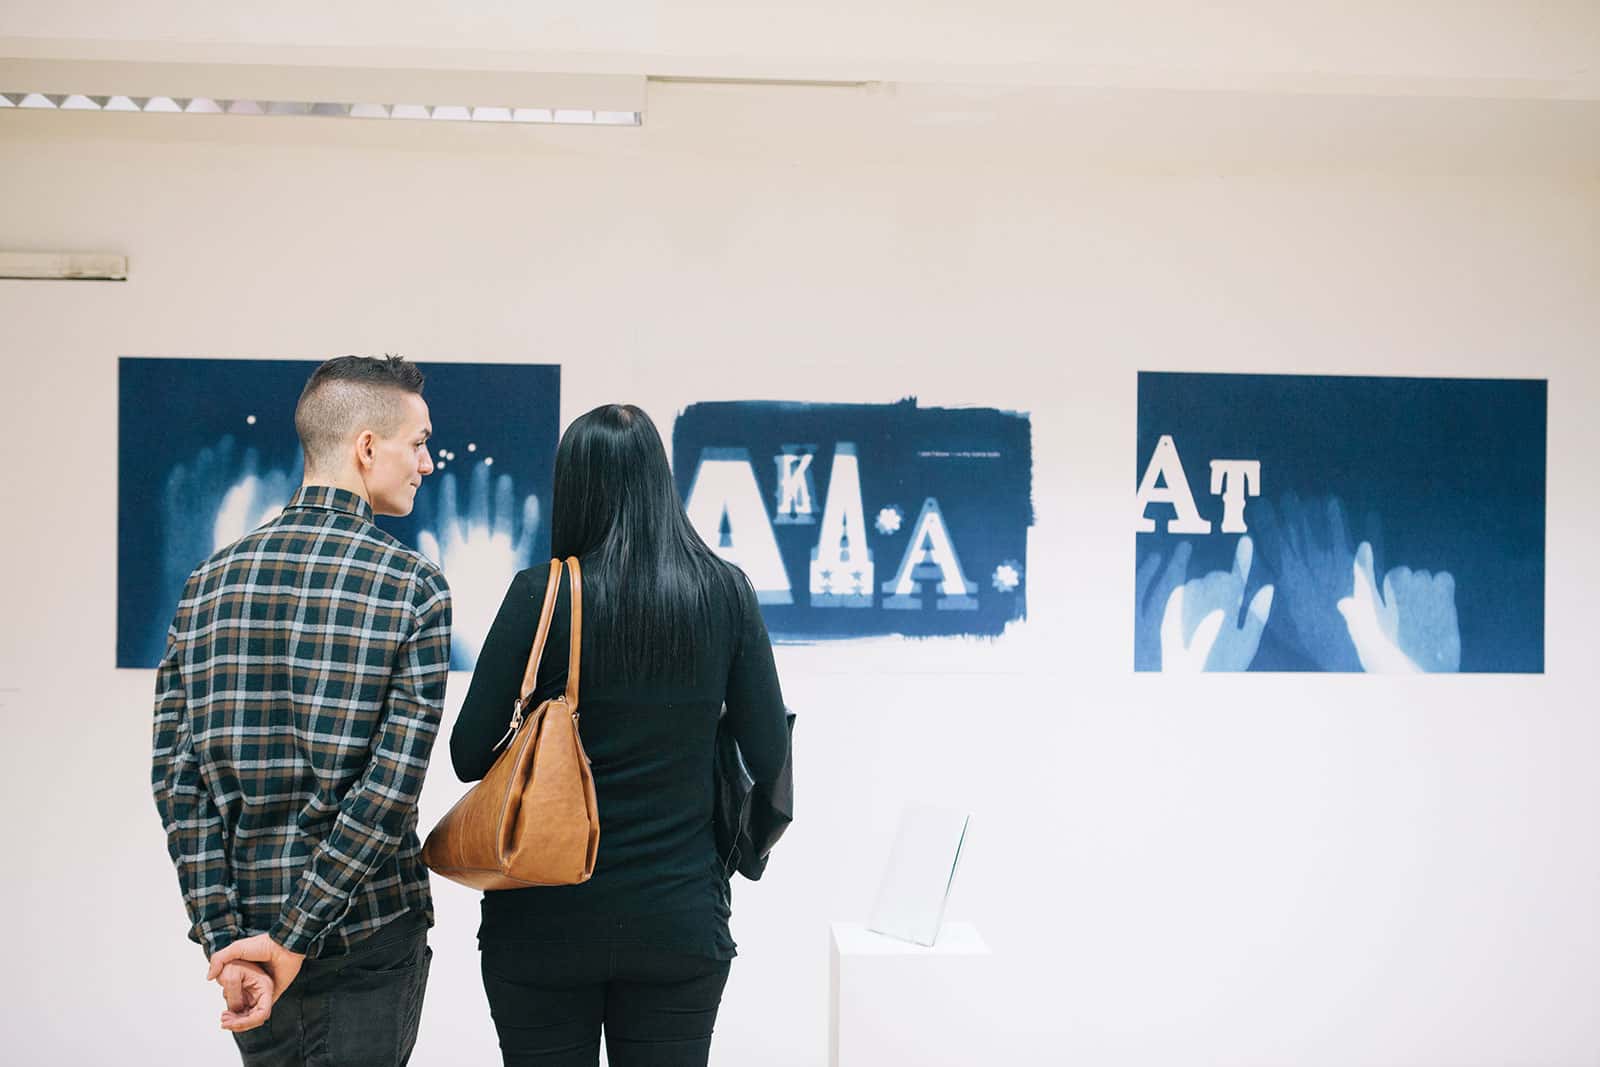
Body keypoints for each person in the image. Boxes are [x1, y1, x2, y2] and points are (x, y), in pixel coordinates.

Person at [451, 403, 791, 1067]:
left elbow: (468, 756)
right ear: (660, 482)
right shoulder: (725, 593)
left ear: (575, 487)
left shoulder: (541, 595)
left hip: (542, 927)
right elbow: (769, 755)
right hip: (679, 920)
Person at [152, 355, 453, 1066]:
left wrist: (229, 939)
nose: (428, 462)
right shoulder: (414, 587)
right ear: (367, 447)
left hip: (248, 941)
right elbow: (386, 796)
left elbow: (178, 782)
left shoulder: (206, 585)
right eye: (418, 441)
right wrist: (293, 937)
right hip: (367, 930)